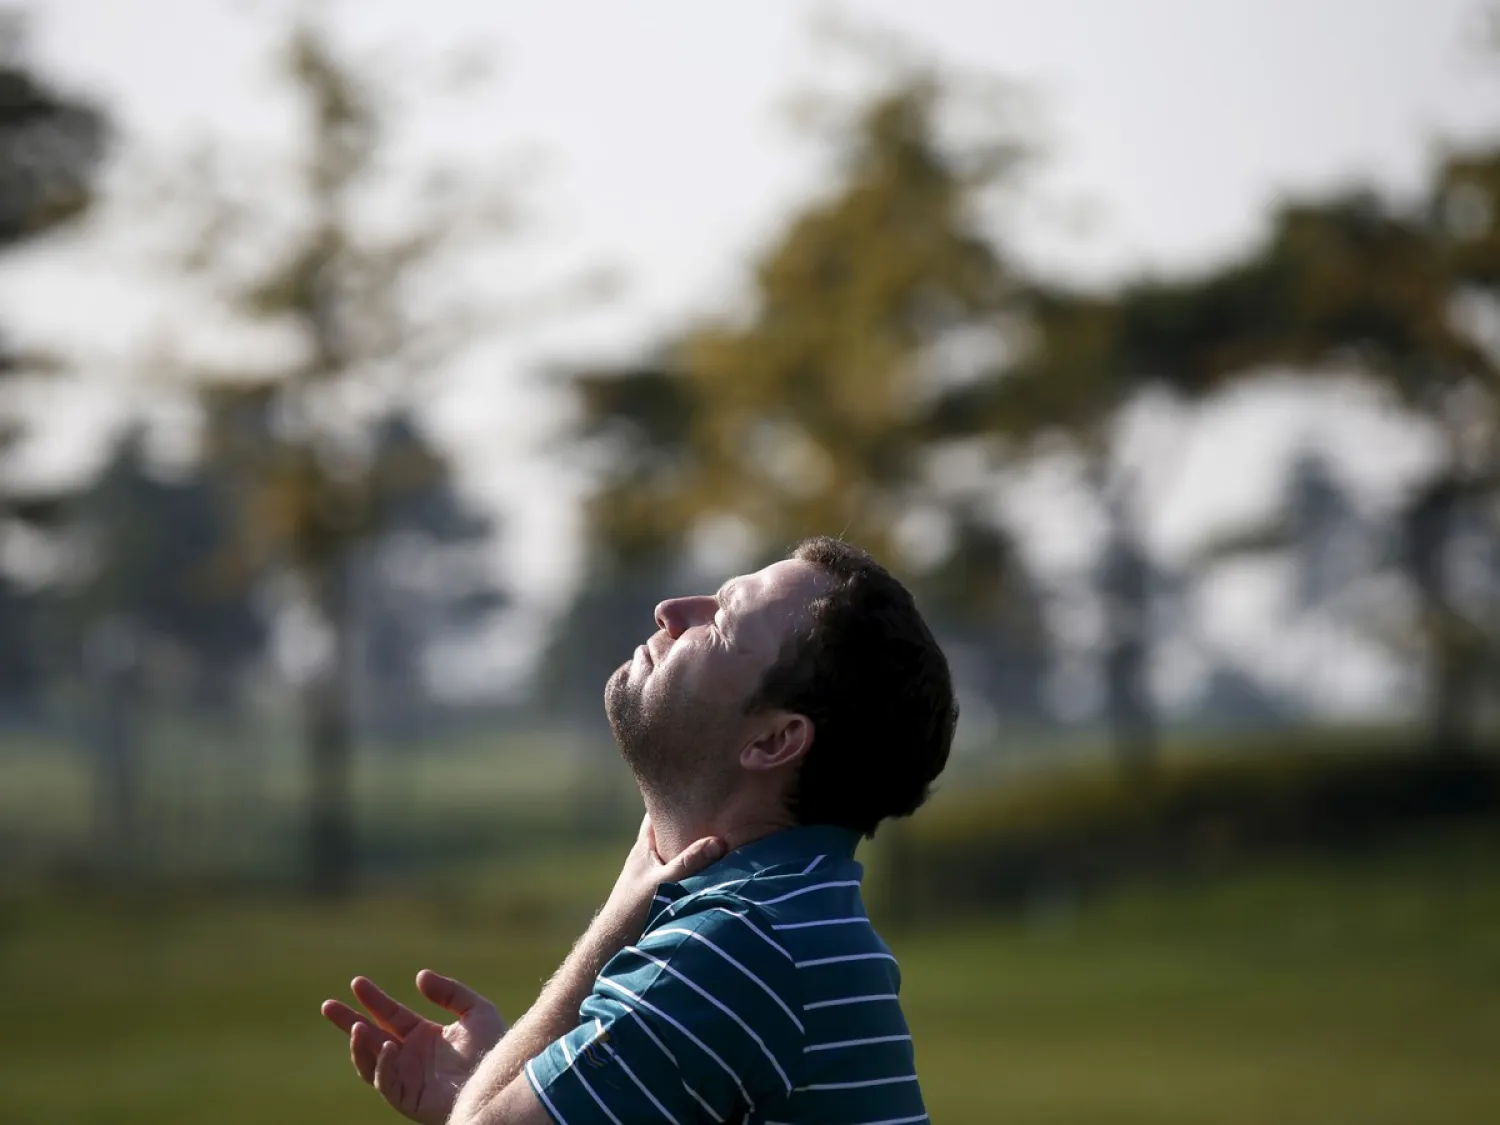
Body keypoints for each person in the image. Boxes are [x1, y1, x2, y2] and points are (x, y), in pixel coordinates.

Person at [321, 536, 957, 1125]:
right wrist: (505, 1076)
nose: (672, 610)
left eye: (723, 621)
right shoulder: (799, 919)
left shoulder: (735, 945)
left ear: (774, 739)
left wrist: (618, 917)